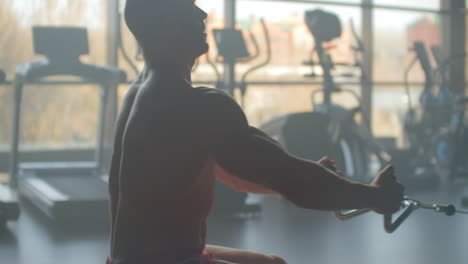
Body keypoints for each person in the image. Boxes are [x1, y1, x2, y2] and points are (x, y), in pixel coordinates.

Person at [107, 1, 404, 264]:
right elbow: (292, 181)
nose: (202, 13)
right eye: (188, 7)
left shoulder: (140, 94)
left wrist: (313, 174)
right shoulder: (195, 104)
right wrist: (376, 197)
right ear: (163, 26)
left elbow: (241, 175)